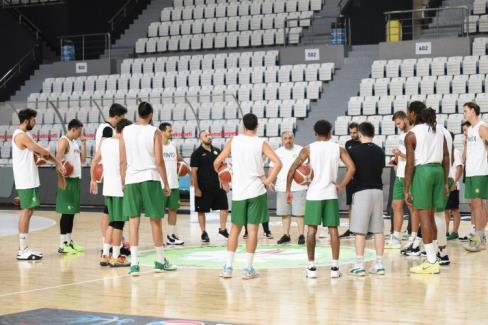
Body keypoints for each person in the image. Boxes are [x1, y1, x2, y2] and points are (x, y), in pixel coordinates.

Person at [215, 113, 282, 280]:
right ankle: (248, 269)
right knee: (252, 230)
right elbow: (278, 163)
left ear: (243, 125)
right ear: (257, 125)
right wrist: (268, 180)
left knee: (235, 230)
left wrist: (222, 178)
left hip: (239, 191)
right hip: (257, 190)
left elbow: (216, 163)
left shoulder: (234, 141)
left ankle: (228, 268)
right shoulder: (261, 143)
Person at [287, 120, 355, 279]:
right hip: (330, 193)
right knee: (333, 231)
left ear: (315, 133)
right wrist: (342, 185)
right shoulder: (338, 148)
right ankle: (335, 268)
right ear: (330, 133)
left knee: (311, 231)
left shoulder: (308, 149)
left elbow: (292, 169)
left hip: (314, 194)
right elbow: (352, 168)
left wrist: (288, 190)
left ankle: (311, 268)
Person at [119, 102, 176, 276]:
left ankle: (134, 264)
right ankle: (159, 261)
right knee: (156, 220)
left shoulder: (126, 130)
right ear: (150, 114)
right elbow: (159, 161)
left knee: (133, 221)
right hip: (150, 178)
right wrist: (166, 183)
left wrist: (123, 181)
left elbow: (122, 160)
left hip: (131, 178)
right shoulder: (154, 132)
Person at [12, 109, 64, 260]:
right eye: (34, 120)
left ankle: (24, 247)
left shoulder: (26, 135)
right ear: (27, 120)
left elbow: (36, 156)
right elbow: (41, 151)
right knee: (26, 211)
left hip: (30, 177)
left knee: (29, 211)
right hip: (25, 179)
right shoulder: (20, 135)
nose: (36, 122)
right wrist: (54, 160)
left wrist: (42, 159)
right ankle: (22, 249)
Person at [404, 102, 450, 274]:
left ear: (415, 115)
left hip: (423, 172)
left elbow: (410, 164)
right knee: (433, 216)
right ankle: (434, 255)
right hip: (438, 171)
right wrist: (445, 182)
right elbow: (446, 157)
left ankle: (431, 261)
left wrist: (407, 189)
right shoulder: (440, 132)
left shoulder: (412, 134)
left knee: (425, 219)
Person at [91, 119, 132, 267]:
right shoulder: (123, 145)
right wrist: (123, 183)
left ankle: (105, 255)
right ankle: (116, 256)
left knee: (111, 222)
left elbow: (94, 162)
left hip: (107, 188)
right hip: (119, 189)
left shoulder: (105, 142)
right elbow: (123, 165)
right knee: (118, 224)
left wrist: (93, 179)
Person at [348, 122, 386, 276]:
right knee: (378, 230)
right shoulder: (380, 151)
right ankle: (379, 264)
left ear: (360, 133)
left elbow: (352, 171)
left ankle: (359, 264)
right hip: (377, 190)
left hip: (361, 190)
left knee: (360, 231)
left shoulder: (354, 151)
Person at [94, 103, 128, 253]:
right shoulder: (108, 131)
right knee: (111, 216)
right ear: (117, 116)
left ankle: (110, 245)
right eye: (121, 118)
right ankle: (111, 246)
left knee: (109, 214)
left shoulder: (103, 128)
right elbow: (112, 152)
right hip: (112, 175)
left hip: (107, 174)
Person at [387, 111, 419, 251]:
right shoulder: (402, 135)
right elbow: (405, 156)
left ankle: (413, 236)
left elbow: (416, 156)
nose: (398, 126)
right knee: (395, 205)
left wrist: (402, 155)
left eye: (399, 123)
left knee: (411, 206)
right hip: (400, 173)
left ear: (406, 119)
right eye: (396, 124)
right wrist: (396, 158)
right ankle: (396, 237)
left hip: (410, 175)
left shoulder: (414, 134)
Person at [190, 130, 230, 243]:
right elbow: (193, 172)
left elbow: (223, 169)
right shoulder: (196, 154)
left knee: (224, 207)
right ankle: (203, 232)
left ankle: (223, 229)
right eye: (205, 135)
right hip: (203, 187)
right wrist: (196, 188)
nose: (208, 137)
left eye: (209, 135)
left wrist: (226, 183)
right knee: (201, 211)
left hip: (218, 185)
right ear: (200, 138)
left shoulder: (217, 151)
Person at [56, 119, 86, 254]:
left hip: (75, 180)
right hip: (67, 181)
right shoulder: (64, 141)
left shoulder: (74, 142)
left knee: (71, 213)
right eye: (79, 131)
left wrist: (84, 144)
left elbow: (83, 160)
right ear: (73, 129)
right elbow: (57, 159)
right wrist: (61, 178)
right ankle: (62, 244)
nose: (80, 133)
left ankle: (69, 241)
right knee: (66, 213)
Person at [272, 131, 307, 245]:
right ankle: (286, 235)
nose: (288, 140)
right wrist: (270, 181)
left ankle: (301, 235)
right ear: (282, 140)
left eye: (290, 138)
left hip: (298, 186)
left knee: (299, 213)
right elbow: (273, 168)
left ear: (294, 138)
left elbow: (306, 168)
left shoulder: (301, 150)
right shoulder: (277, 152)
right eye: (285, 138)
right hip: (282, 186)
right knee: (285, 213)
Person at [462, 102, 488, 252]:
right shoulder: (470, 130)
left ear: (473, 111)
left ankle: (478, 239)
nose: (464, 113)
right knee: (475, 205)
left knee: (478, 205)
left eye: (465, 110)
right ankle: (481, 237)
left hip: (480, 171)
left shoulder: (482, 127)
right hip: (471, 172)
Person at [159, 122, 184, 246]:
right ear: (162, 132)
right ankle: (158, 238)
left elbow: (179, 159)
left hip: (174, 183)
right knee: (158, 212)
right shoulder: (156, 146)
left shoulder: (173, 146)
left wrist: (185, 168)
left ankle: (170, 235)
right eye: (169, 131)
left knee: (173, 210)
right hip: (161, 185)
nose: (171, 133)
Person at [340, 122, 360, 238]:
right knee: (350, 204)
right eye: (351, 133)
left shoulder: (364, 142)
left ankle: (364, 229)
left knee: (362, 205)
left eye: (355, 132)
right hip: (351, 178)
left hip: (362, 178)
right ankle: (351, 229)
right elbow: (347, 160)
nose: (353, 135)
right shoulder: (348, 144)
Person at [445, 131, 463, 241]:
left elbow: (459, 168)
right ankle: (445, 231)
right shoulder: (444, 152)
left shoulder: (455, 152)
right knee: (445, 209)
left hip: (453, 183)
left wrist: (455, 182)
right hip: (445, 183)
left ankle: (455, 232)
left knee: (454, 209)